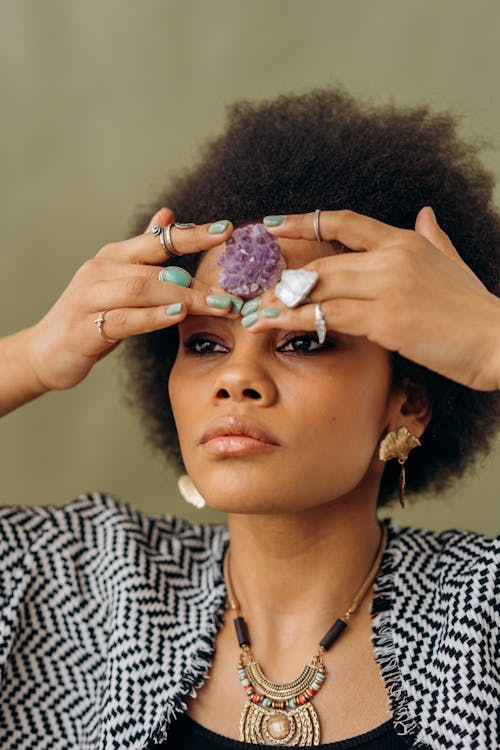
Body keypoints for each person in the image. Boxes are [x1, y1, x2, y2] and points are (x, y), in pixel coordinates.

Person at [0, 89, 499, 750]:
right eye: (204, 344)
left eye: (304, 341)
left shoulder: (481, 617)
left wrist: (492, 340)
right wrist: (33, 356)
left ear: (408, 399)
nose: (237, 378)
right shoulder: (77, 586)